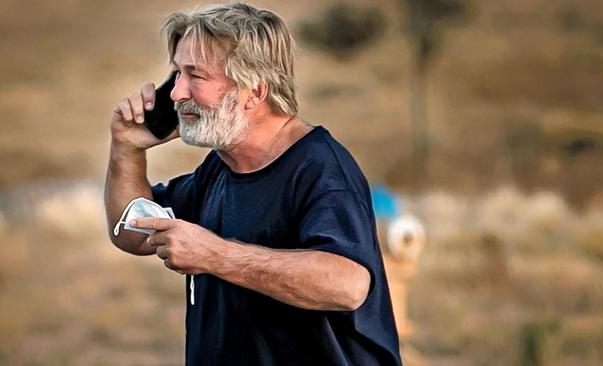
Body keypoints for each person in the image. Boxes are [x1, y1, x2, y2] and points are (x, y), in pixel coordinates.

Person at [104, 3, 401, 365]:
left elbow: (347, 284)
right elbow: (132, 231)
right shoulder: (219, 169)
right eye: (176, 74)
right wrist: (126, 148)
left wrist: (214, 255)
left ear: (254, 92)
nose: (175, 93)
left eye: (194, 76)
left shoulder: (321, 169)